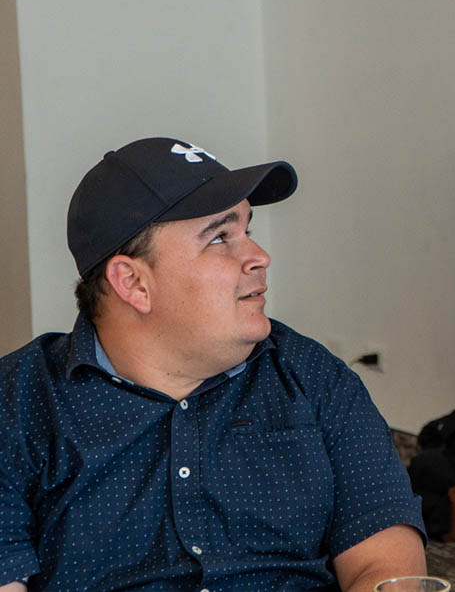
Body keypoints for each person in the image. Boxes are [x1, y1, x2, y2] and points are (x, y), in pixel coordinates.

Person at [0, 137, 426, 591]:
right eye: (220, 238)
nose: (260, 258)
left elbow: (388, 566)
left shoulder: (312, 375)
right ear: (133, 283)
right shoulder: (19, 402)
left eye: (247, 231)